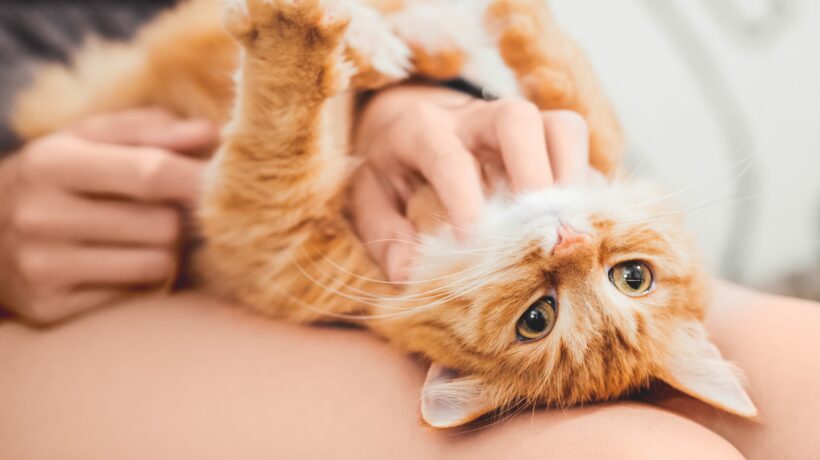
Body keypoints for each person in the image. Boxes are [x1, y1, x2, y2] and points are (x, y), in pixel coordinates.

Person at [1, 3, 819, 459]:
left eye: (539, 316)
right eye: (628, 277)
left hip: (234, 113)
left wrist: (397, 102)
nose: (569, 249)